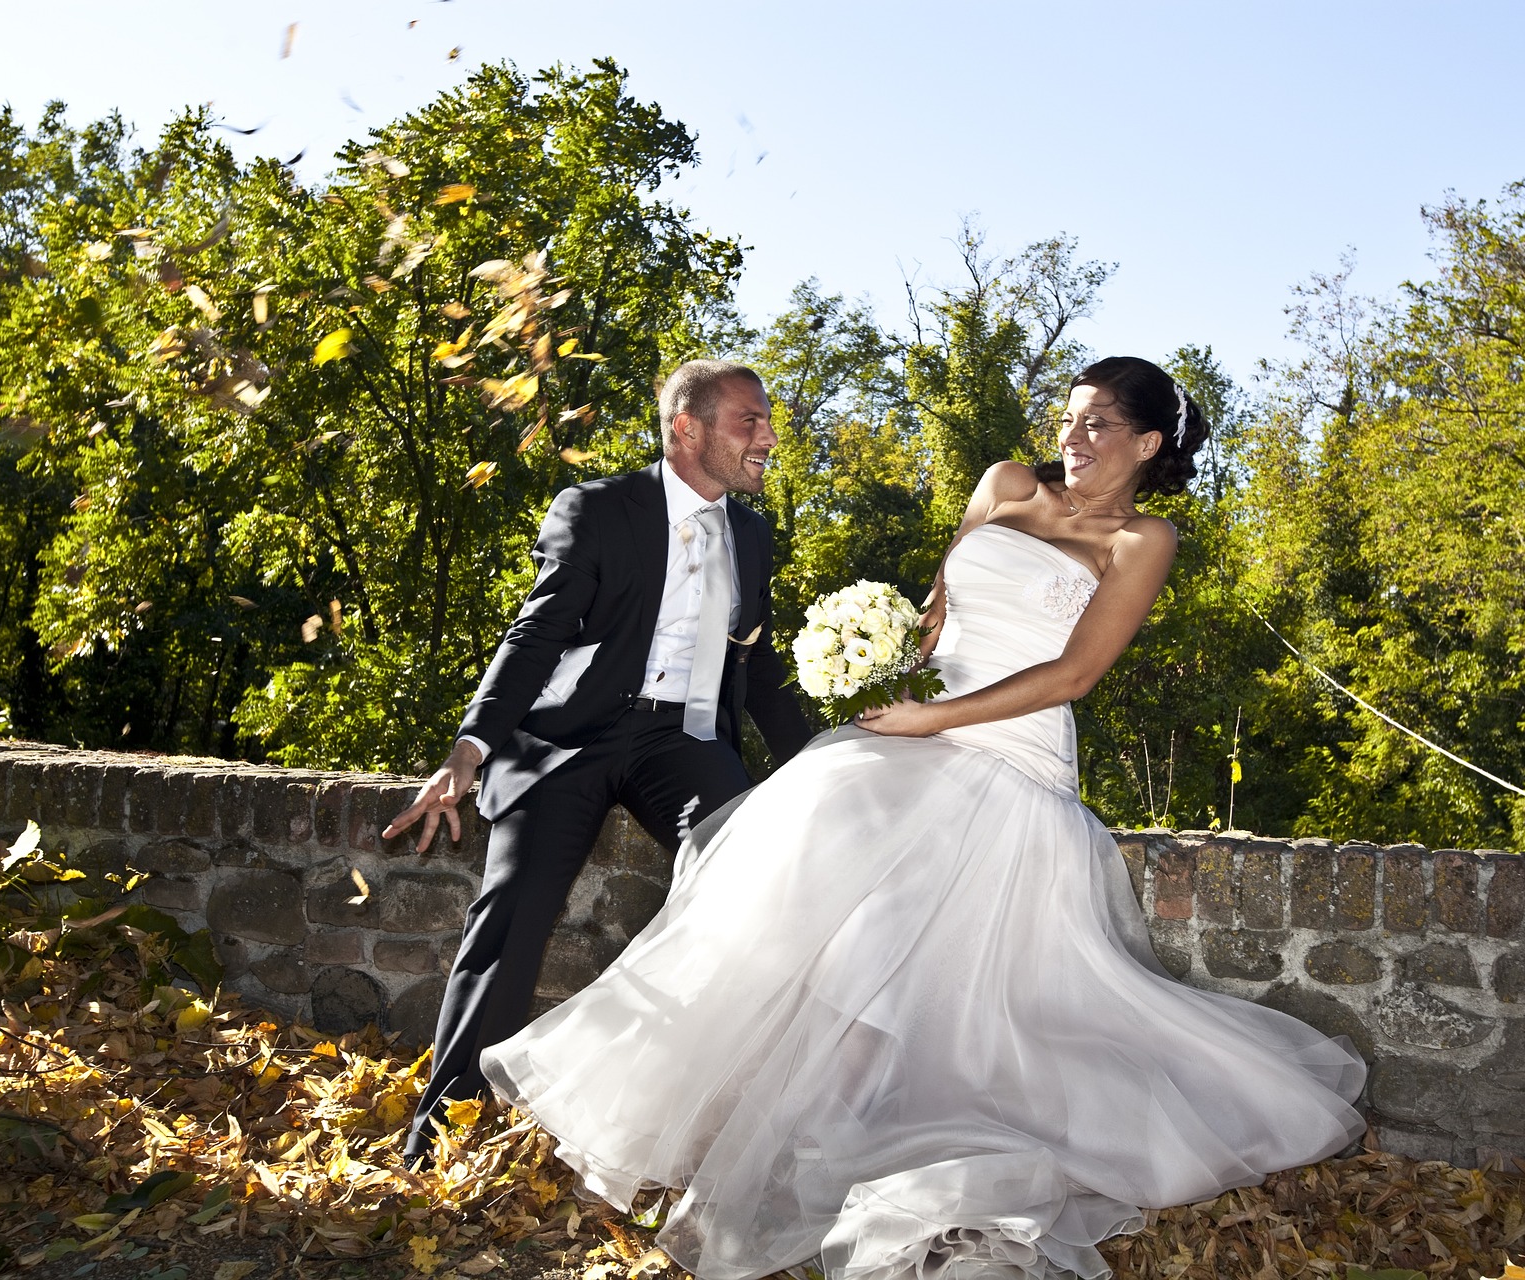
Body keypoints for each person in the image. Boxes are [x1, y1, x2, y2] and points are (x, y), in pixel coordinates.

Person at [480, 357, 1367, 1280]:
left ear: (1146, 444)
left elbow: (1074, 677)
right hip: (918, 730)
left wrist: (931, 720)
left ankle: (843, 1139)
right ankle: (773, 1121)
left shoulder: (1146, 538)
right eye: (1066, 418)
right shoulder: (1005, 484)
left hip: (1011, 756)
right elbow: (937, 620)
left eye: (1098, 424)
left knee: (914, 949)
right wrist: (867, 657)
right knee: (806, 881)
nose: (1071, 438)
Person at [383, 359, 815, 1167]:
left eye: (766, 420)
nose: (767, 436)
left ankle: (699, 1126)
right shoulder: (598, 510)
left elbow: (756, 671)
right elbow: (534, 636)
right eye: (748, 421)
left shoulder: (753, 535)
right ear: (686, 429)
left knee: (751, 865)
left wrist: (826, 760)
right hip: (568, 738)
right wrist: (468, 752)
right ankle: (442, 1138)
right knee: (513, 911)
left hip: (680, 745)